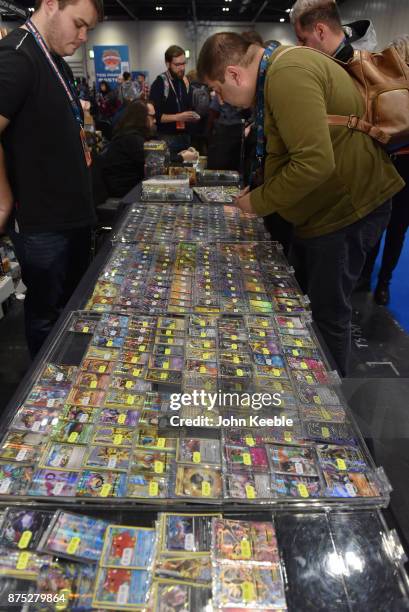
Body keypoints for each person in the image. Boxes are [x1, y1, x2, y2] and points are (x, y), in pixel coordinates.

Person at [197, 33, 404, 376]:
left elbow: (314, 163)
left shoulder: (286, 73)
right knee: (309, 308)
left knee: (327, 317)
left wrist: (257, 202)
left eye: (219, 90)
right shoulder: (282, 69)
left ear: (234, 74)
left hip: (344, 212)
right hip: (328, 209)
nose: (224, 100)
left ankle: (332, 411)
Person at [0, 0, 103, 357]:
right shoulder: (17, 56)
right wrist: (3, 199)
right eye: (78, 24)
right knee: (47, 319)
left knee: (70, 316)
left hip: (70, 216)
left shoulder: (54, 60)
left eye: (87, 28)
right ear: (50, 4)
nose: (83, 36)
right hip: (43, 223)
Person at [357, 35, 409, 305]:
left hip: (404, 165)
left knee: (396, 227)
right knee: (379, 222)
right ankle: (367, 276)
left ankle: (382, 282)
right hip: (386, 159)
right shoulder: (384, 81)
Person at [100, 100, 198, 198]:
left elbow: (155, 158)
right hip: (126, 193)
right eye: (152, 117)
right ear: (140, 117)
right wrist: (181, 157)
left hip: (131, 188)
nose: (155, 120)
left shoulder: (131, 135)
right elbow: (155, 164)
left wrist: (178, 156)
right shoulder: (131, 139)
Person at [149, 45, 199, 158]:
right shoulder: (160, 83)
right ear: (168, 64)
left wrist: (192, 116)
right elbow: (156, 117)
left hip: (185, 137)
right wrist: (178, 117)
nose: (182, 68)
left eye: (183, 63)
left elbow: (187, 107)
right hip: (167, 138)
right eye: (177, 65)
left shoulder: (184, 81)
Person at [290, 0, 377, 61]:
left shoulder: (359, 75)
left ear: (320, 31)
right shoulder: (336, 62)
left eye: (303, 40)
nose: (299, 46)